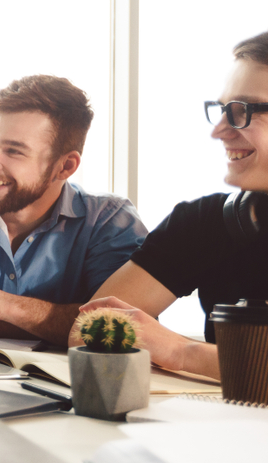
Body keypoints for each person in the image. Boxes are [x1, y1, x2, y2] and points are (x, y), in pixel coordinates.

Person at [77, 31, 268, 379]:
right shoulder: (203, 223)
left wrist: (184, 352)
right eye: (222, 110)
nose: (219, 131)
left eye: (242, 111)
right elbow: (87, 329)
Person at [0, 75, 147, 344]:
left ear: (65, 166)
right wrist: (66, 326)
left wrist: (5, 306)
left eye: (14, 151)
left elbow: (125, 329)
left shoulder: (109, 221)